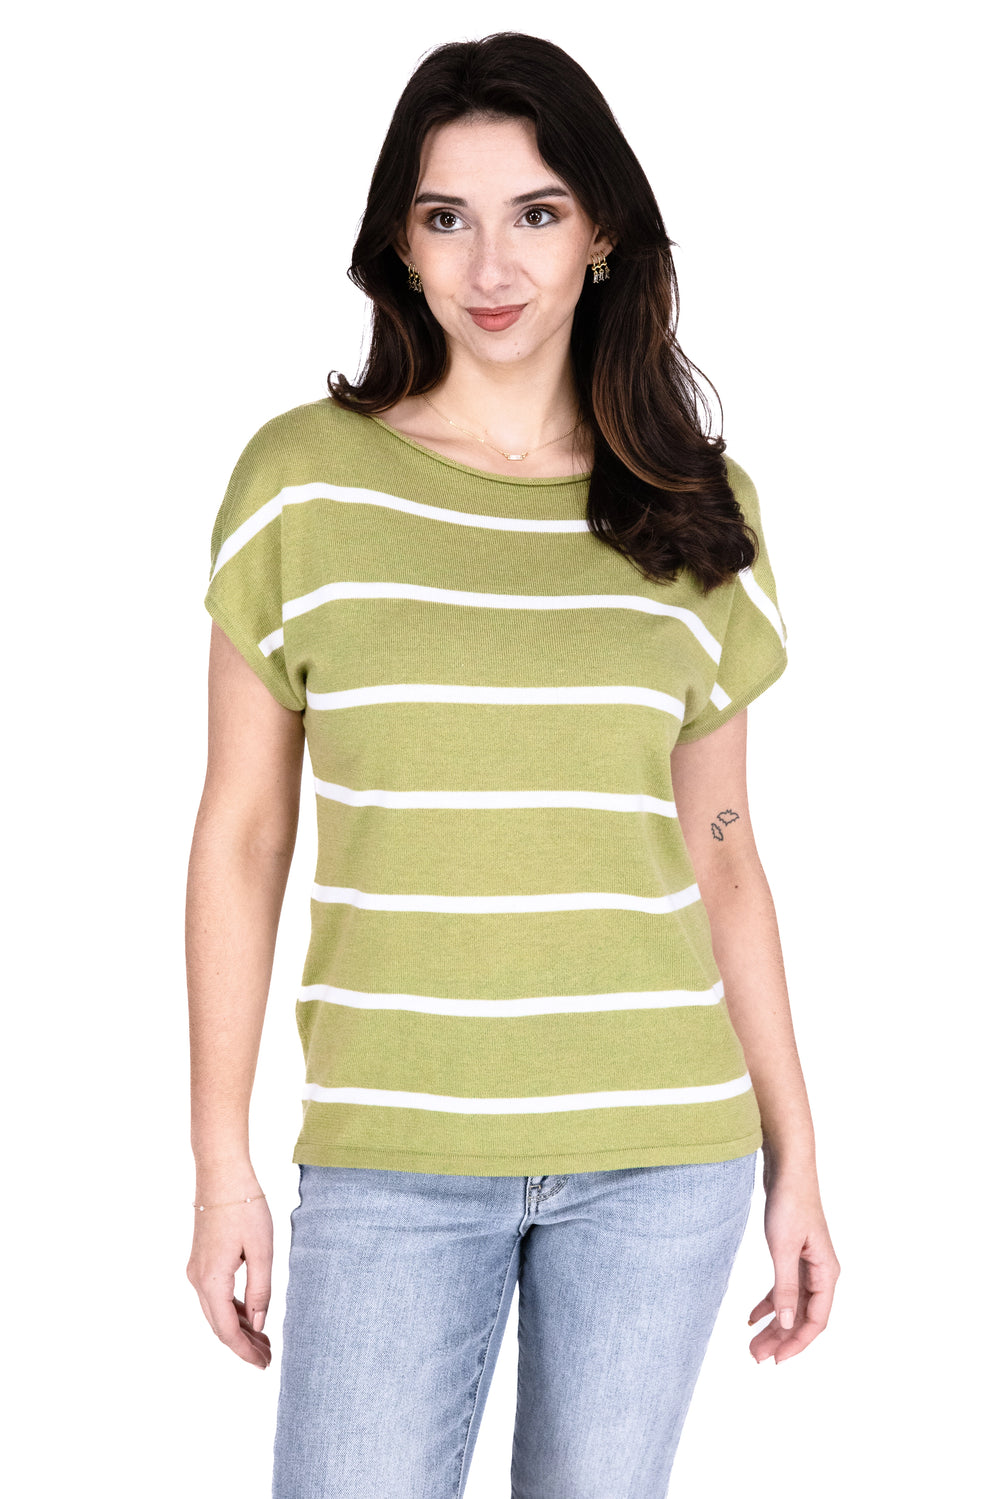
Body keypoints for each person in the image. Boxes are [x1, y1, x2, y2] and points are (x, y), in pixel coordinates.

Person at [185, 31, 840, 1499]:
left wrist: (796, 1152)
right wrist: (222, 1163)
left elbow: (725, 850)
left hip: (662, 1156)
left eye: (537, 212)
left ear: (600, 233)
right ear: (400, 245)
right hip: (393, 1154)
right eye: (447, 217)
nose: (493, 264)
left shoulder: (697, 506)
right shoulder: (301, 483)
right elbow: (240, 837)